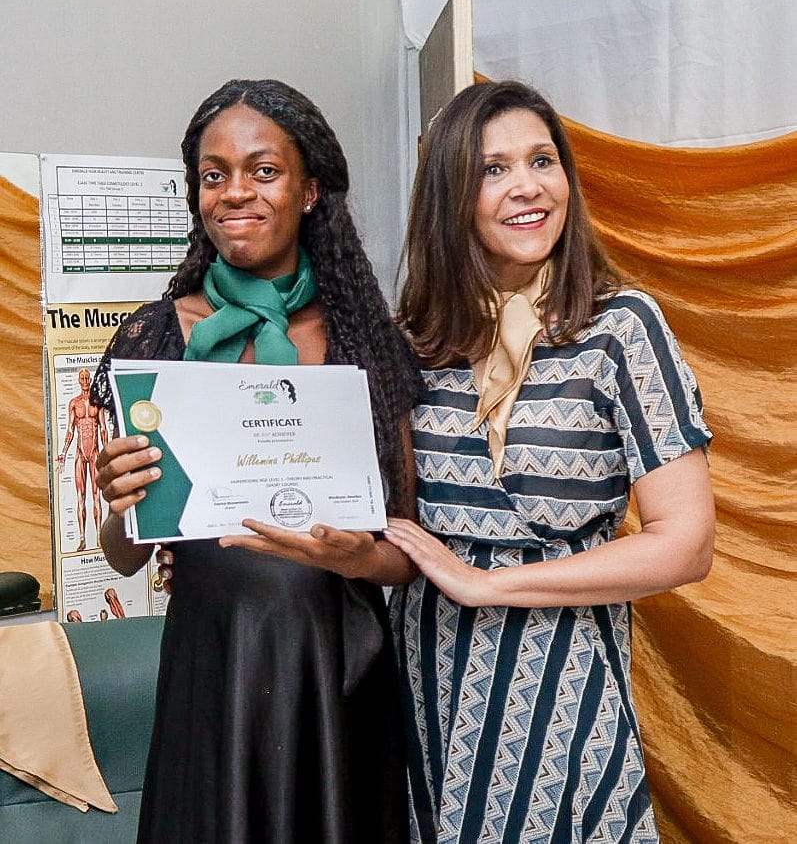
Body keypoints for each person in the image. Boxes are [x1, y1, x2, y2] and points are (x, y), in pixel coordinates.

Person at [383, 81, 715, 844]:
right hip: (427, 672)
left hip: (559, 672)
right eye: (493, 168)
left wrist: (489, 583)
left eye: (541, 160)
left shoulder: (620, 328)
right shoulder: (415, 341)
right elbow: (390, 522)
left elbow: (685, 543)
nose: (527, 185)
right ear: (450, 196)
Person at [92, 78, 422, 843]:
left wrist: (358, 558)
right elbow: (122, 555)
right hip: (211, 663)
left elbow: (406, 549)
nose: (235, 191)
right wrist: (121, 504)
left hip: (335, 667)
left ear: (309, 190)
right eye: (214, 175)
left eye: (263, 170)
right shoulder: (154, 339)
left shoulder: (364, 340)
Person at [57, 367, 109, 551]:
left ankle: (99, 538)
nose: (85, 381)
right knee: (80, 497)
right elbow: (70, 430)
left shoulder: (98, 402)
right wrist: (63, 453)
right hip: (80, 453)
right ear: (79, 381)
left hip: (95, 453)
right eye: (83, 378)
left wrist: (108, 453)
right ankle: (82, 539)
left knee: (96, 497)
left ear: (91, 380)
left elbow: (103, 429)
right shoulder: (74, 403)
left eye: (87, 378)